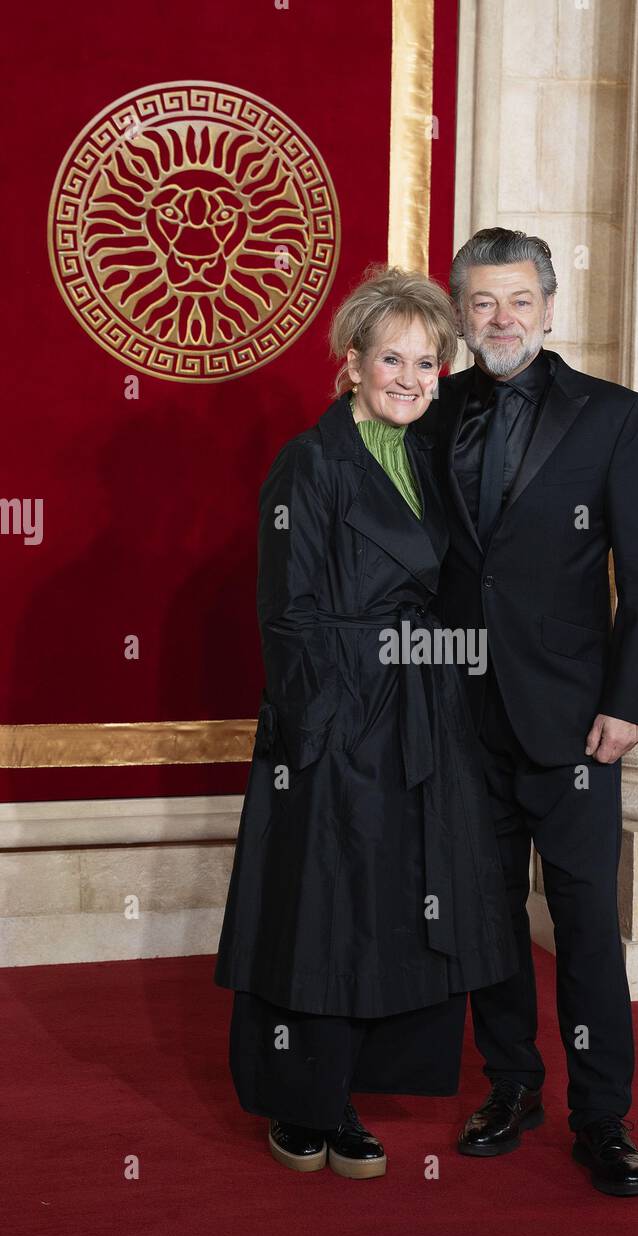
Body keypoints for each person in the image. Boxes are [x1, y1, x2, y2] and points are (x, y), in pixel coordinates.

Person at [214, 265, 518, 1179]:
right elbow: (287, 612)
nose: (412, 378)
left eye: (429, 363)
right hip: (335, 723)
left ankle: (348, 1092)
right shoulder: (308, 463)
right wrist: (321, 733)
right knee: (321, 912)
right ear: (352, 364)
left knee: (392, 909)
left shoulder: (427, 455)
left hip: (420, 717)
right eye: (393, 358)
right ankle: (302, 1102)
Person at [430, 228, 638, 1196]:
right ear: (459, 312)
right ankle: (510, 1085)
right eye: (482, 303)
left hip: (575, 722)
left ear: (548, 304)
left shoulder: (611, 415)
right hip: (458, 715)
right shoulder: (432, 408)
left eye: (518, 301)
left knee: (580, 925)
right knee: (484, 921)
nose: (500, 320)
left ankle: (603, 1119)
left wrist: (626, 702)